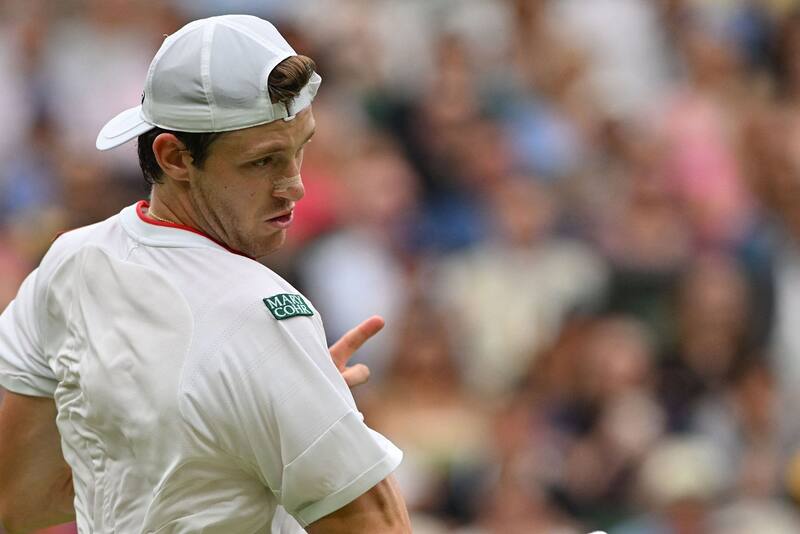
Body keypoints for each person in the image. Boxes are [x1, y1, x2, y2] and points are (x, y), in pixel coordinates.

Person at [0, 14, 411, 534]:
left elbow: (22, 502)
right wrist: (288, 399)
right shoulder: (262, 320)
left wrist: (257, 416)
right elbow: (376, 526)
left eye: (299, 149)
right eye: (262, 162)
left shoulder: (68, 262)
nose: (295, 186)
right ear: (173, 156)